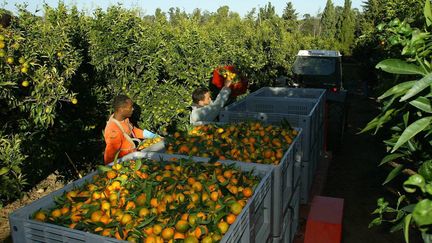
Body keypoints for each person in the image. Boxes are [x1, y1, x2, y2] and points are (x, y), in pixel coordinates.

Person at [103, 95, 157, 164]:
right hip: (126, 164)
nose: (133, 109)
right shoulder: (114, 132)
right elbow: (109, 156)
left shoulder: (124, 119)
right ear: (121, 109)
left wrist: (150, 135)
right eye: (130, 107)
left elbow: (132, 130)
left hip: (134, 157)